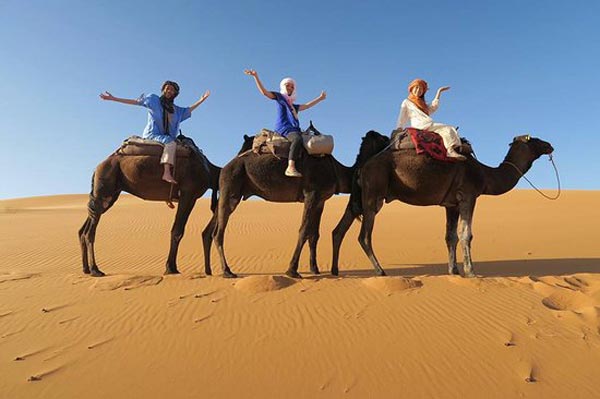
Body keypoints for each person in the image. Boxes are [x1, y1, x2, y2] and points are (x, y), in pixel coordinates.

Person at [99, 81, 210, 183]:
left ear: (175, 93)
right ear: (163, 90)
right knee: (171, 143)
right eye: (167, 88)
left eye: (172, 90)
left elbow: (188, 110)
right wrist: (114, 98)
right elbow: (136, 102)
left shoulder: (176, 110)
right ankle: (166, 173)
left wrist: (202, 100)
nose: (169, 91)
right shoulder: (154, 100)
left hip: (167, 137)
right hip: (153, 135)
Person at [244, 69, 327, 177]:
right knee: (297, 139)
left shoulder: (293, 106)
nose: (290, 88)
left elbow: (307, 106)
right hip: (285, 129)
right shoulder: (279, 97)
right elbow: (264, 93)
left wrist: (320, 98)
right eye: (288, 85)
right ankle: (290, 167)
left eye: (292, 86)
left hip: (294, 129)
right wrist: (256, 76)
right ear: (283, 86)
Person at [396, 78, 466, 160]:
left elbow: (432, 107)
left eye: (421, 89)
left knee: (444, 131)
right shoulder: (407, 102)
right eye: (416, 87)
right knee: (449, 129)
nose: (418, 90)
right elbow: (402, 116)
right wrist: (399, 128)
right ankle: (450, 150)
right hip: (421, 125)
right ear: (412, 89)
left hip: (428, 124)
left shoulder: (422, 104)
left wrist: (439, 92)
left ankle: (451, 149)